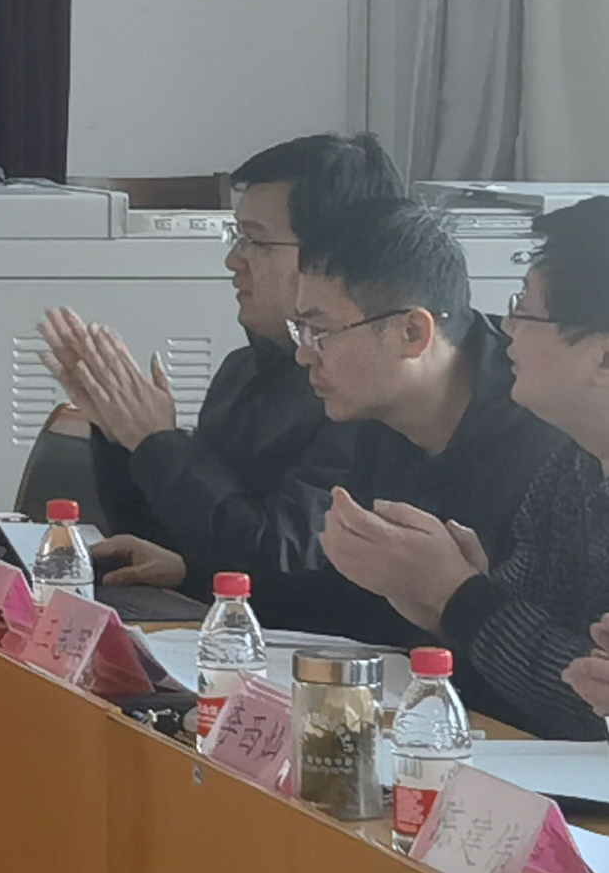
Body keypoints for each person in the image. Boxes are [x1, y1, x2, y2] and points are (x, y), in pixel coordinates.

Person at [33, 131, 407, 591]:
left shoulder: (361, 393)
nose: (233, 260)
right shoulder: (241, 371)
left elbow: (277, 557)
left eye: (255, 241)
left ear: (333, 256)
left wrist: (158, 442)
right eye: (236, 237)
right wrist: (123, 438)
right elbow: (169, 541)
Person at [316, 201, 609, 739]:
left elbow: (586, 709)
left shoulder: (536, 449)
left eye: (526, 310)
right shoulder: (574, 468)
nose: (507, 326)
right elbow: (538, 649)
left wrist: (459, 595)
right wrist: (445, 600)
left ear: (604, 358)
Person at [238, 197, 574, 646]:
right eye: (301, 330)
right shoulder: (377, 416)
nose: (303, 354)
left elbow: (544, 663)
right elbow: (357, 604)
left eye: (320, 332)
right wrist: (194, 575)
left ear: (412, 332)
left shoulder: (544, 441)